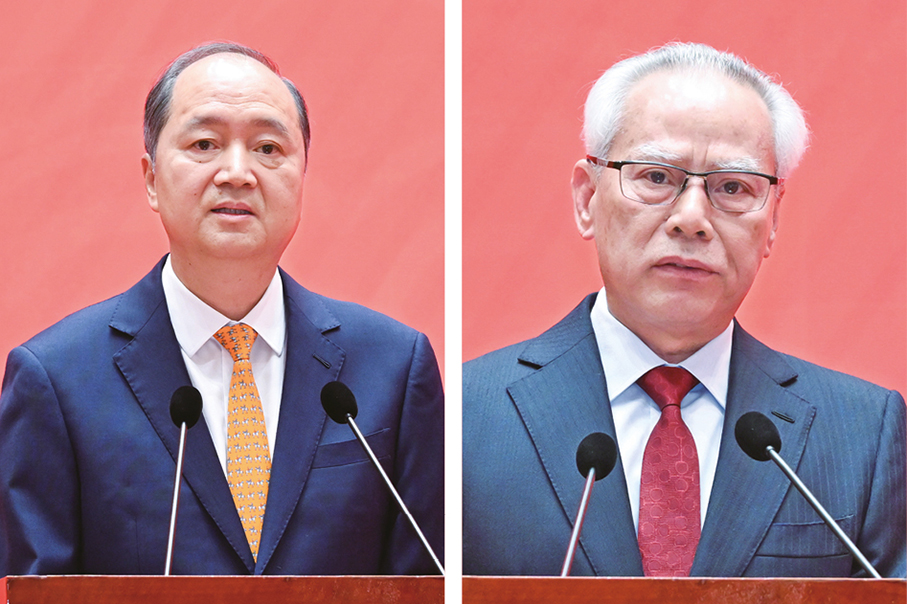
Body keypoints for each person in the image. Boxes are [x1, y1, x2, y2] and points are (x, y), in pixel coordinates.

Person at [463, 42, 905, 578]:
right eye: (656, 177)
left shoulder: (863, 435)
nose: (691, 219)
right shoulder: (464, 418)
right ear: (586, 198)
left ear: (773, 221)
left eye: (732, 187)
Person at [0, 42, 443, 576]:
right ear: (151, 179)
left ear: (302, 177)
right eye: (205, 144)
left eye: (268, 148)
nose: (237, 173)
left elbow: (423, 578)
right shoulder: (56, 380)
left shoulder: (393, 368)